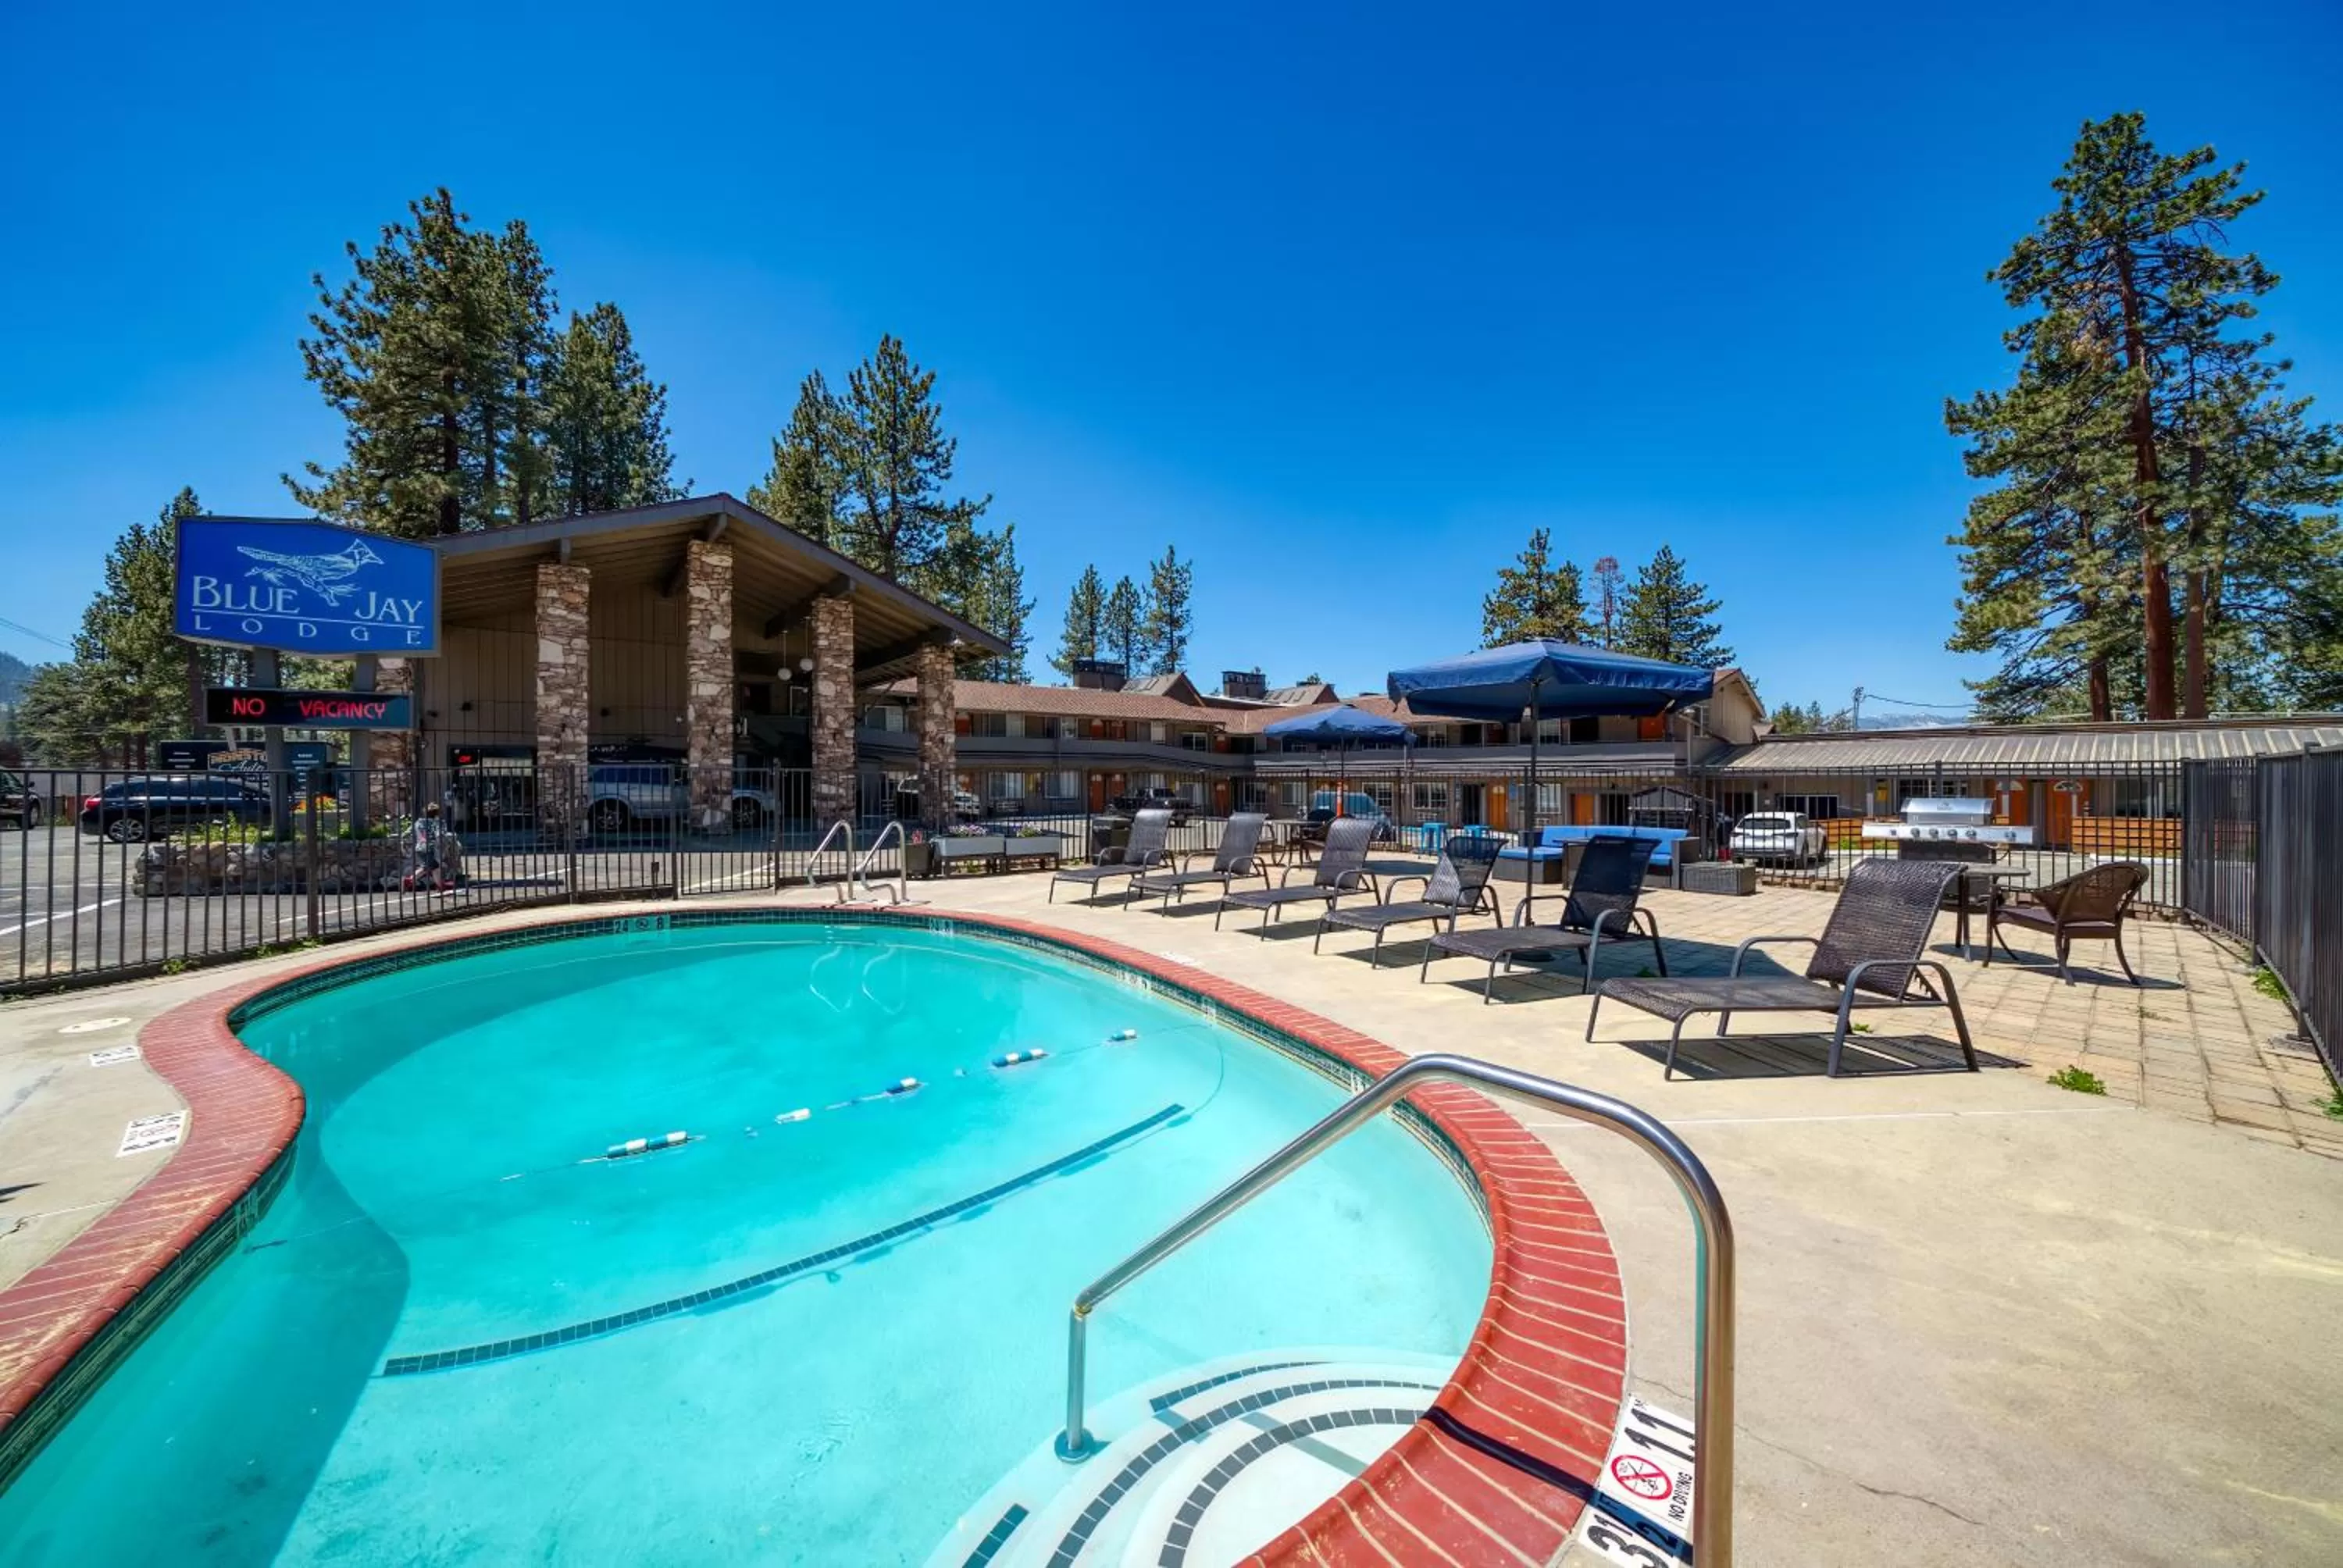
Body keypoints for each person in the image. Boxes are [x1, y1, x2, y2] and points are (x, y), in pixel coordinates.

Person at [412, 801, 453, 893]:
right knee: (428, 867)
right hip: (429, 848)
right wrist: (442, 845)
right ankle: (410, 880)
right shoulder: (438, 822)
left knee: (435, 867)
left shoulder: (418, 822)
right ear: (437, 813)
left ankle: (440, 886)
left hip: (419, 847)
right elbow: (439, 835)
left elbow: (410, 833)